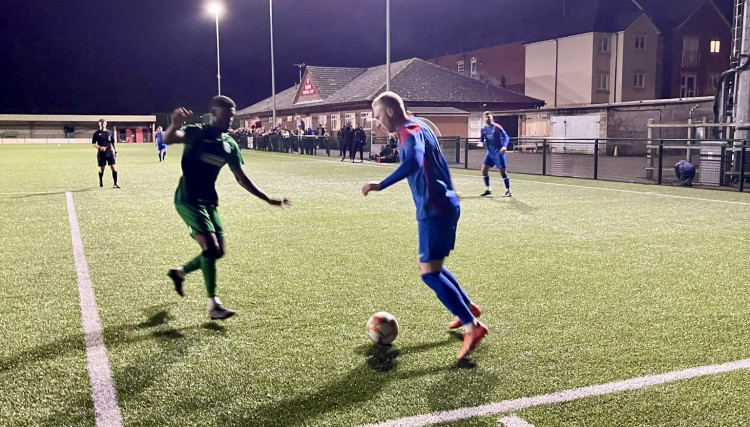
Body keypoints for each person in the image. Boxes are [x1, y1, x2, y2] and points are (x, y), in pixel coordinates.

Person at [362, 91, 487, 359]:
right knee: (434, 266)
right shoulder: (421, 126)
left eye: (378, 115)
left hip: (434, 208)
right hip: (445, 204)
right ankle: (468, 308)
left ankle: (471, 326)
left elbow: (414, 161)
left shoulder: (409, 132)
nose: (377, 121)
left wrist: (380, 184)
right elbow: (438, 164)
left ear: (391, 112)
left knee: (429, 273)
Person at [163, 96, 290, 320]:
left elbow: (241, 178)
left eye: (233, 116)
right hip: (188, 199)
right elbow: (170, 138)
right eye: (227, 116)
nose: (231, 120)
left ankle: (179, 273)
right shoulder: (196, 132)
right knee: (211, 248)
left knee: (218, 251)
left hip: (209, 201)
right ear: (214, 113)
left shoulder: (229, 145)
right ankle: (214, 306)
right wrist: (175, 123)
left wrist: (267, 198)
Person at [479, 111, 511, 197]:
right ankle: (488, 189)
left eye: (489, 117)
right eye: (486, 117)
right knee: (484, 170)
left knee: (502, 172)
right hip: (490, 153)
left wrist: (504, 146)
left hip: (498, 153)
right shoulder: (483, 129)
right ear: (484, 118)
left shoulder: (497, 127)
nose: (488, 118)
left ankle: (508, 191)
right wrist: (481, 143)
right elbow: (481, 139)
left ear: (492, 117)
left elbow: (506, 136)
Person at [92, 118, 120, 188]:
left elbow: (113, 142)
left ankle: (115, 183)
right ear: (99, 124)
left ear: (106, 124)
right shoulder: (96, 133)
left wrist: (115, 150)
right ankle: (101, 181)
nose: (102, 125)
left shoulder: (109, 133)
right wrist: (99, 147)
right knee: (102, 169)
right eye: (101, 123)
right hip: (101, 153)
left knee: (113, 167)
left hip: (109, 152)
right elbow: (93, 143)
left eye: (103, 123)